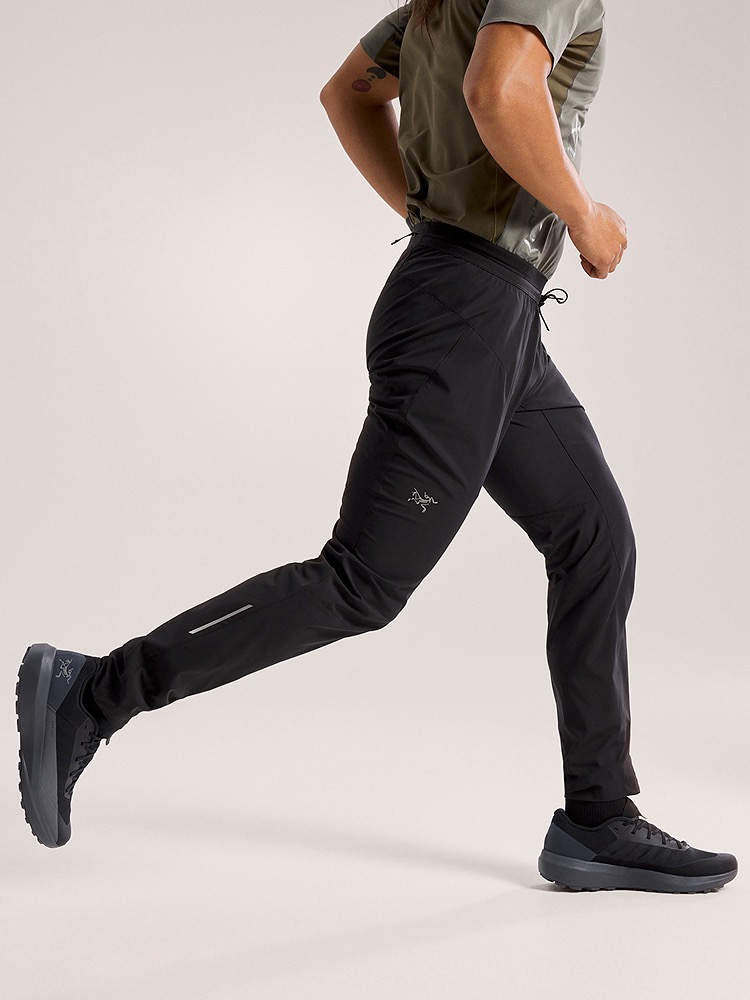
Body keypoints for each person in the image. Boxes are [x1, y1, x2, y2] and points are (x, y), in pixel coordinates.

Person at [16, 0, 737, 893]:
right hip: (466, 316)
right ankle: (93, 691)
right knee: (361, 581)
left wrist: (441, 224)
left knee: (594, 536)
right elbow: (496, 91)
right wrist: (585, 218)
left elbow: (346, 94)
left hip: (493, 317)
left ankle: (598, 817)